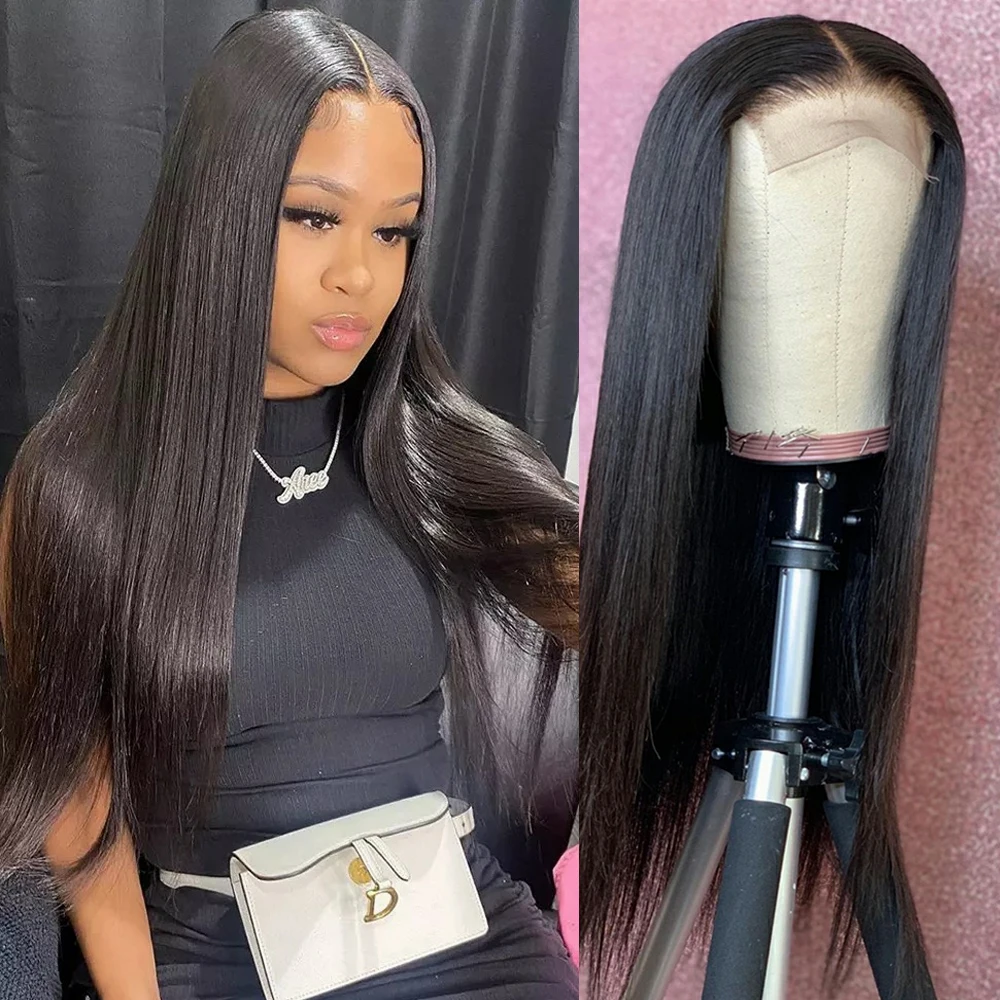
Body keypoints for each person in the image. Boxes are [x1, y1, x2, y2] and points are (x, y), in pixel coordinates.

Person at [0, 10, 578, 1000]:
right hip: (221, 958)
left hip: (463, 940)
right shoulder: (77, 491)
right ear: (219, 208)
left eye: (393, 230)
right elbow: (82, 819)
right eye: (313, 216)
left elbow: (648, 628)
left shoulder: (433, 455)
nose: (359, 274)